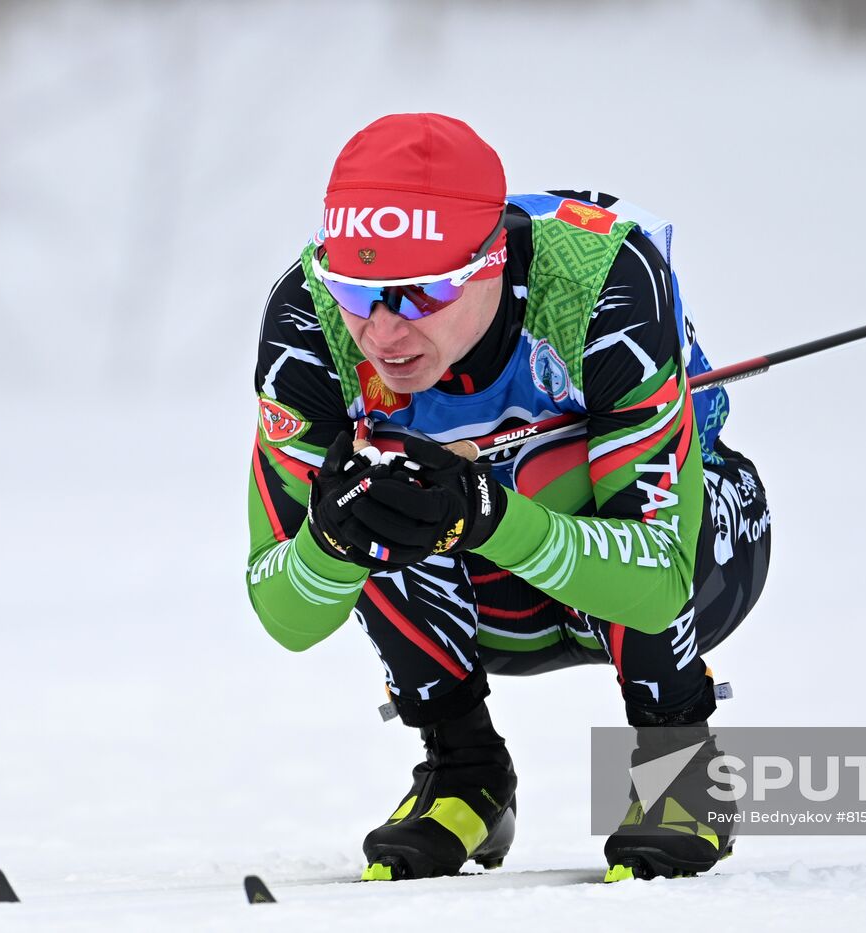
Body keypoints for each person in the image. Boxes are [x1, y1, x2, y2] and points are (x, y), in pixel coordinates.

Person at [245, 113, 772, 882]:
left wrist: (487, 511)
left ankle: (680, 759)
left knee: (548, 471)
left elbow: (659, 578)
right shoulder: (308, 318)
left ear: (490, 261)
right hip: (486, 598)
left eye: (420, 295)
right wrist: (333, 539)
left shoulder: (602, 281)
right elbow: (284, 613)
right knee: (381, 489)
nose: (383, 333)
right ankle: (465, 773)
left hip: (689, 555)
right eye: (359, 290)